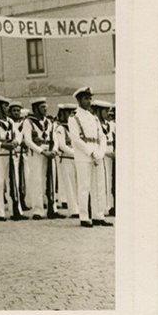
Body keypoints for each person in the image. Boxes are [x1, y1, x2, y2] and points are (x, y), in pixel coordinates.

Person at [69, 87, 111, 228]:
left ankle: (98, 215)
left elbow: (102, 137)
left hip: (97, 154)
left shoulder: (93, 118)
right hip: (83, 155)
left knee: (98, 186)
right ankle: (84, 216)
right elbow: (76, 139)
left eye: (89, 98)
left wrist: (100, 152)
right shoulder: (74, 117)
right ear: (79, 100)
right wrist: (90, 152)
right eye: (85, 98)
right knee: (84, 186)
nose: (88, 101)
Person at [22, 98, 54, 220]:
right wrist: (42, 152)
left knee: (50, 180)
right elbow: (28, 141)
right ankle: (38, 209)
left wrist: (53, 150)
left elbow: (53, 137)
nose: (45, 109)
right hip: (36, 153)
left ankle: (52, 207)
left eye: (46, 107)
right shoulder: (28, 122)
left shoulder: (49, 122)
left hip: (49, 152)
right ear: (35, 109)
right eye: (42, 107)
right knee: (36, 180)